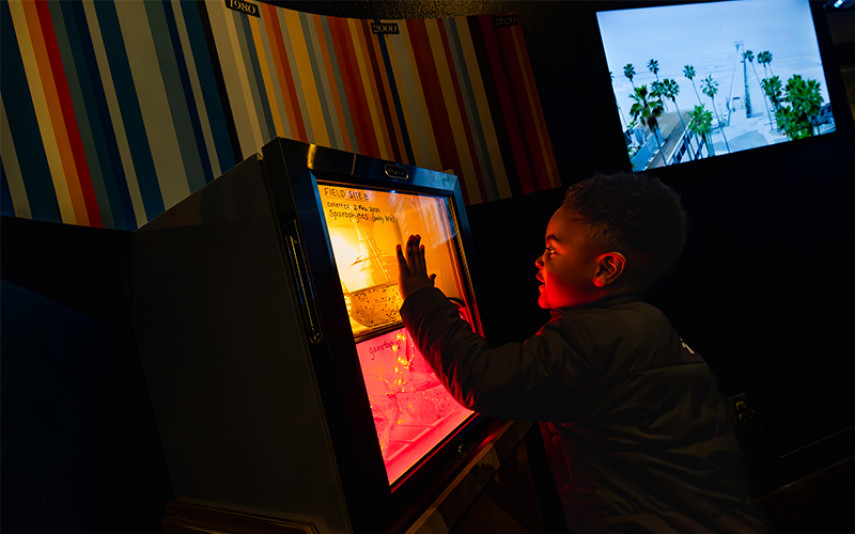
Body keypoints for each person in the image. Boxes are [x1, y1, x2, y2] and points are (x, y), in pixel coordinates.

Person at [396, 172, 766, 533]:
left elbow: (483, 379)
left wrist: (420, 300)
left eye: (552, 250)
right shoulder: (647, 321)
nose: (539, 261)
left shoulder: (587, 339)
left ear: (606, 268)